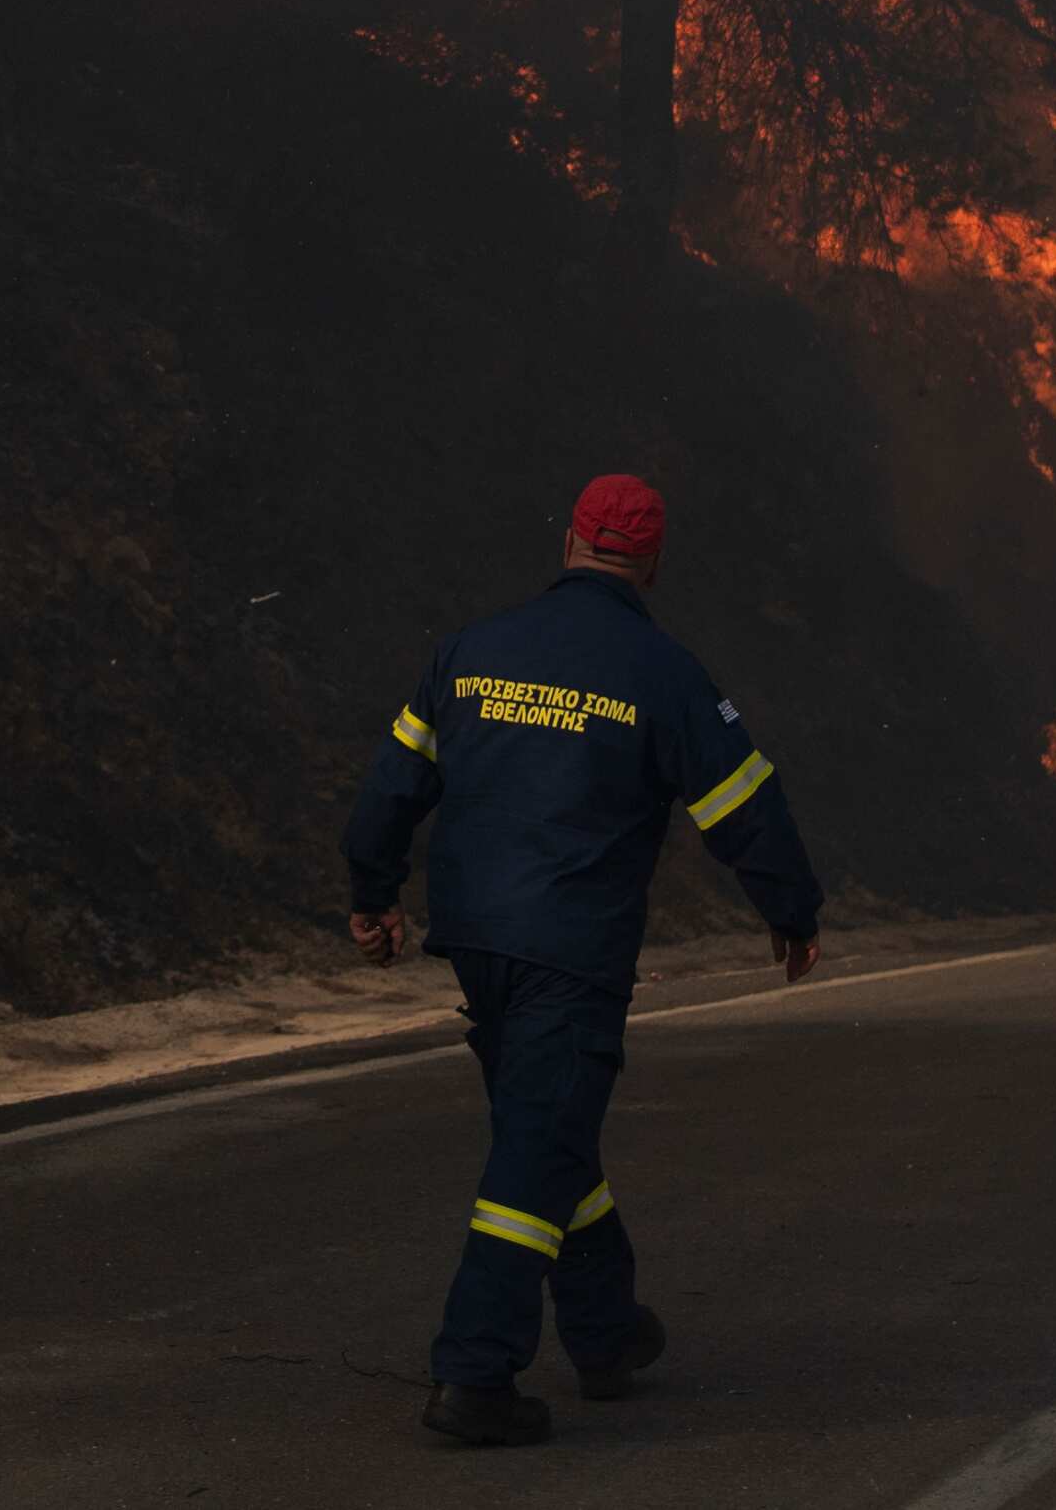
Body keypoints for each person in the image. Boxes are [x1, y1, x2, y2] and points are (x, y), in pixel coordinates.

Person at [342, 473, 823, 1447]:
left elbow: (393, 783)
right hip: (569, 945)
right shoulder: (662, 671)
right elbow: (742, 807)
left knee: (545, 1124)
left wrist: (370, 891)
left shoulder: (469, 650)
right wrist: (791, 908)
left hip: (474, 935)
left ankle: (604, 1332)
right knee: (536, 1145)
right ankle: (474, 1372)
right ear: (648, 561)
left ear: (567, 537)